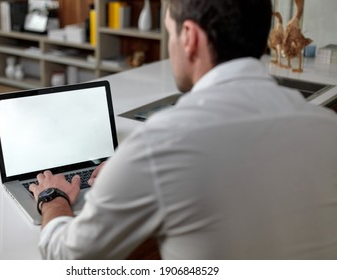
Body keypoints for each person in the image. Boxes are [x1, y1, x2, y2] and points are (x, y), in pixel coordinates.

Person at [29, 0, 337, 259]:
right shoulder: (327, 127)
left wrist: (53, 198)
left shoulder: (161, 144)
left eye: (169, 33)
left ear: (189, 36)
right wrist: (131, 169)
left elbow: (67, 258)